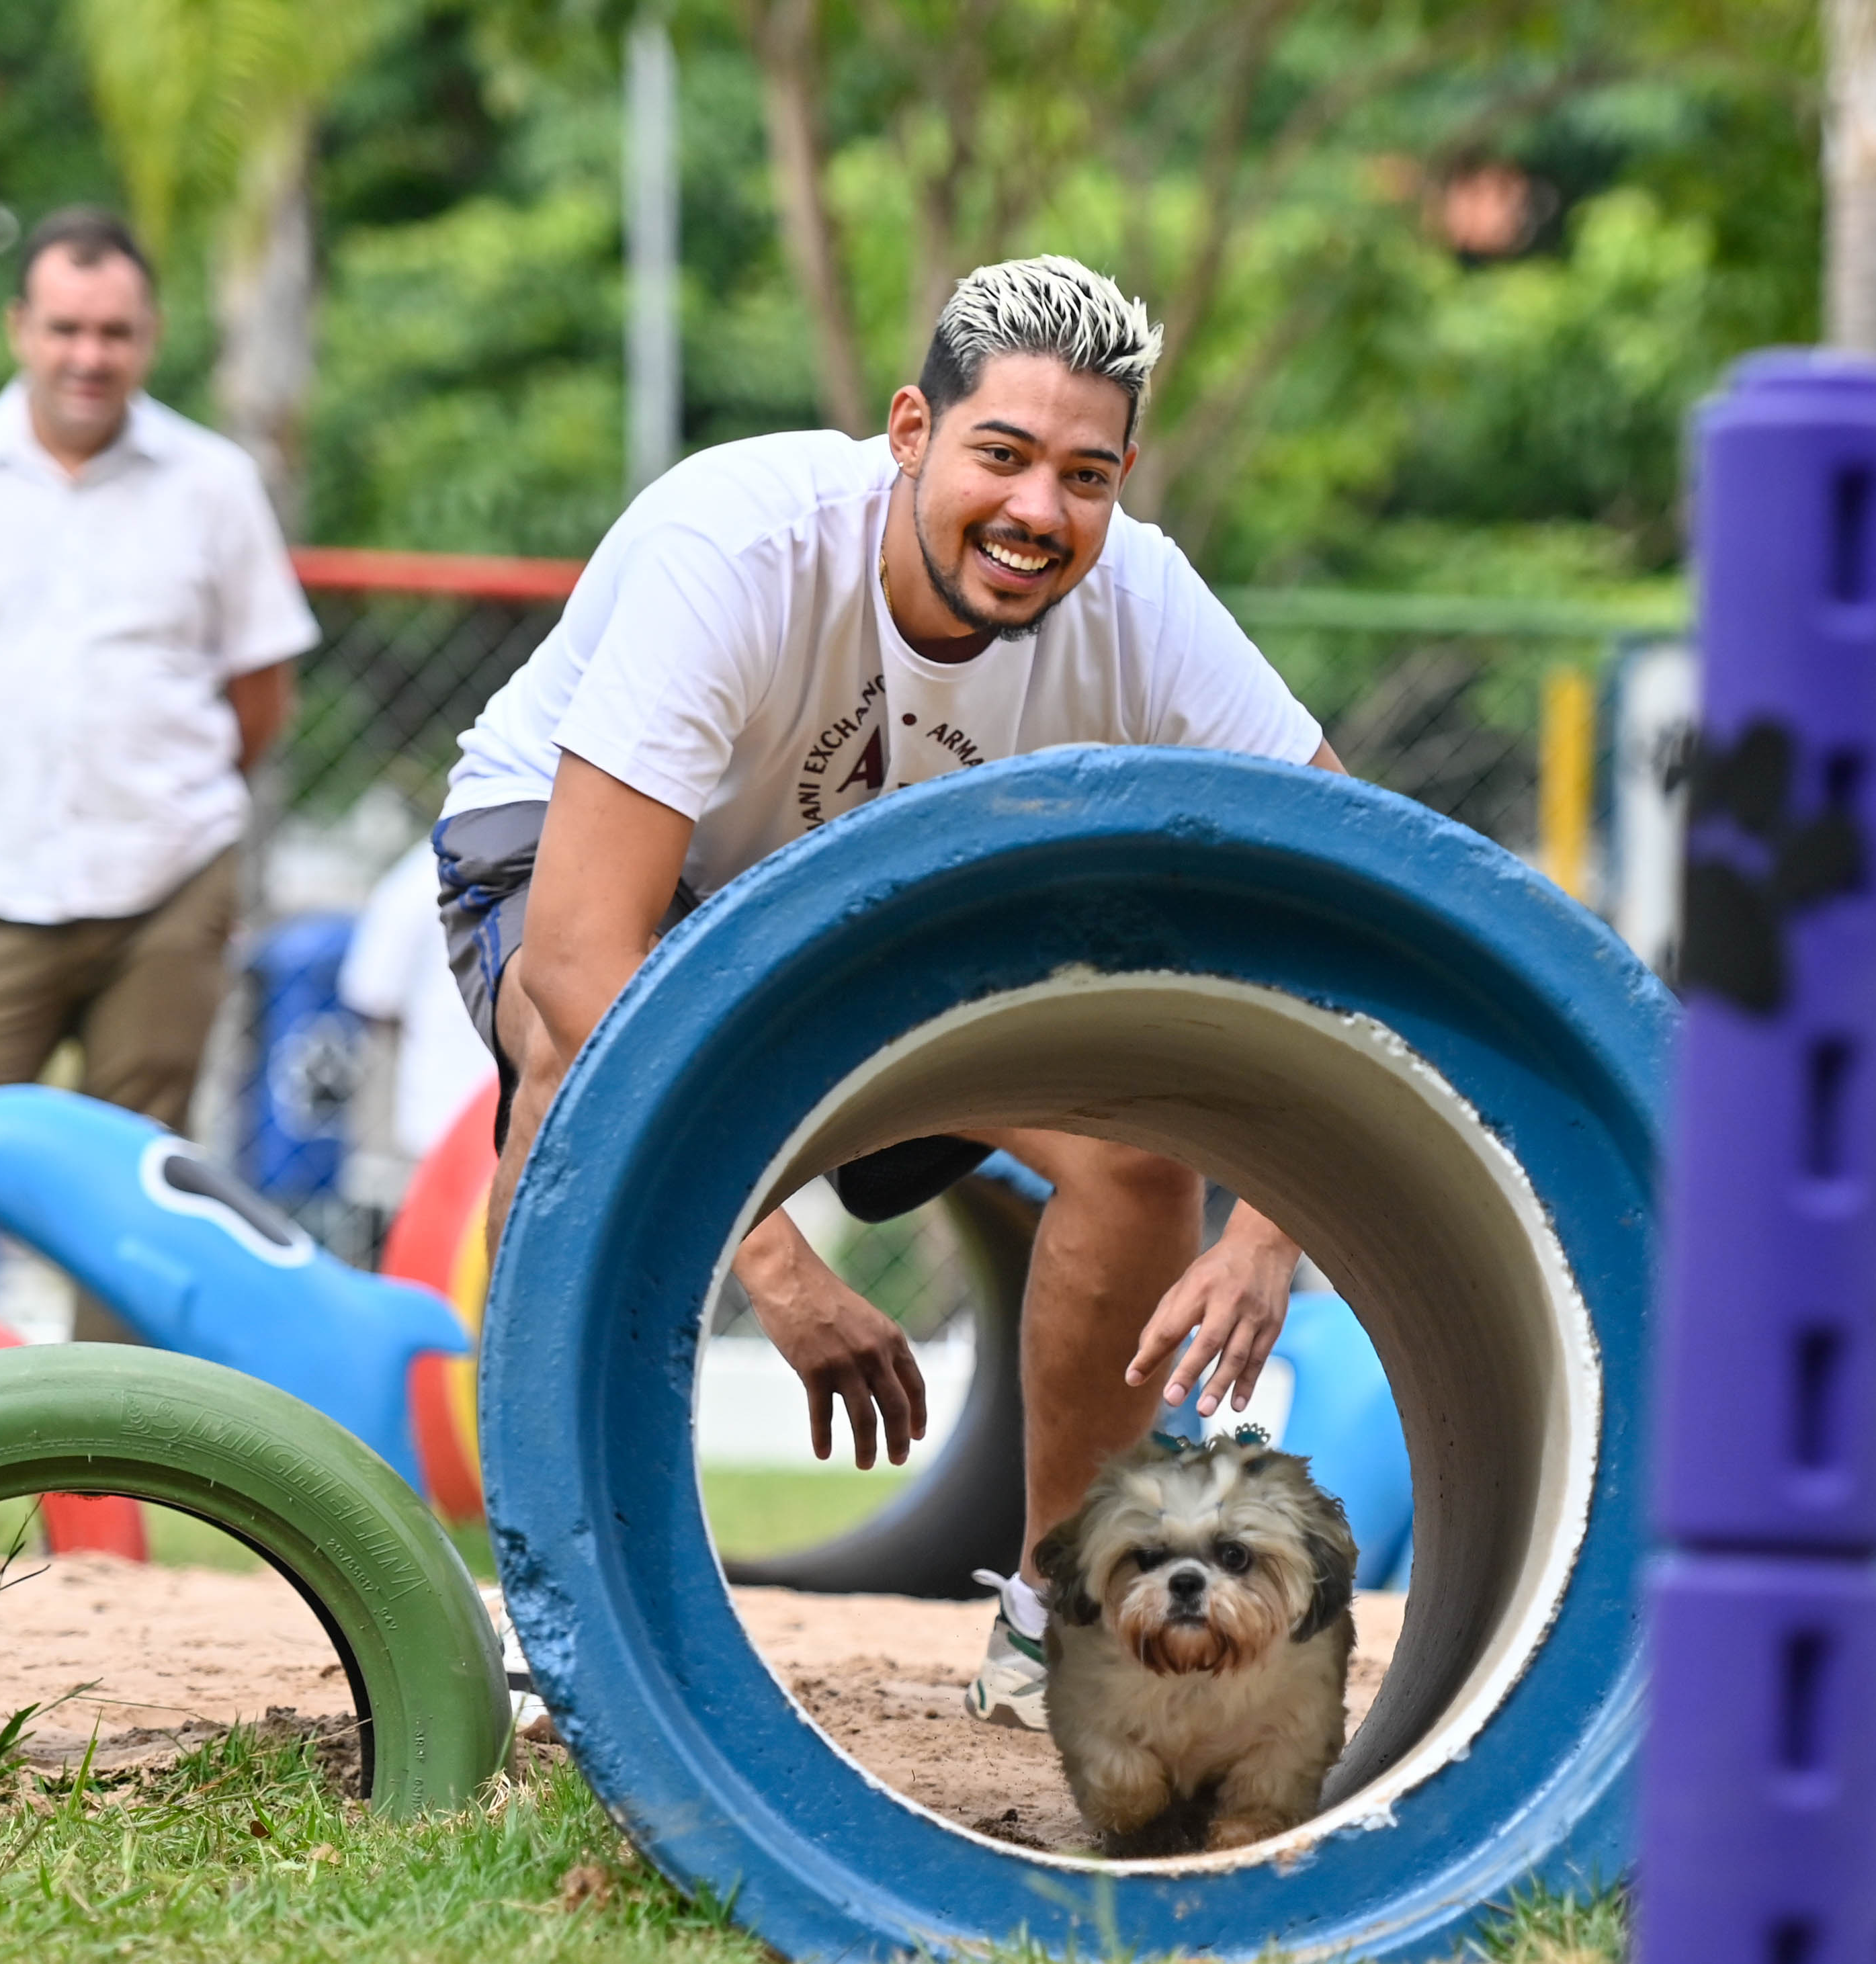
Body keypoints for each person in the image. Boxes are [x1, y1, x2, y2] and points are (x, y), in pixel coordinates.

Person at [437, 253, 1342, 1732]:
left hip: (876, 915)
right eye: (1002, 453)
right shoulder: (742, 544)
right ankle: (557, 1588)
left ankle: (1059, 1612)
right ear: (912, 430)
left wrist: (1280, 1222)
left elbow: (1353, 898)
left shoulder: (1149, 604)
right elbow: (586, 959)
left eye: (1087, 474)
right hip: (601, 872)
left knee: (1135, 1144)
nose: (1040, 511)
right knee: (562, 1061)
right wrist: (777, 1268)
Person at [0, 205, 321, 1332]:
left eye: (113, 332)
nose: (87, 356)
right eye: (65, 329)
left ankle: (97, 1500)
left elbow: (260, 694)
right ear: (19, 330)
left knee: (134, 1203)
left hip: (170, 877)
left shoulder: (215, 483)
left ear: (149, 338)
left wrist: (157, 793)